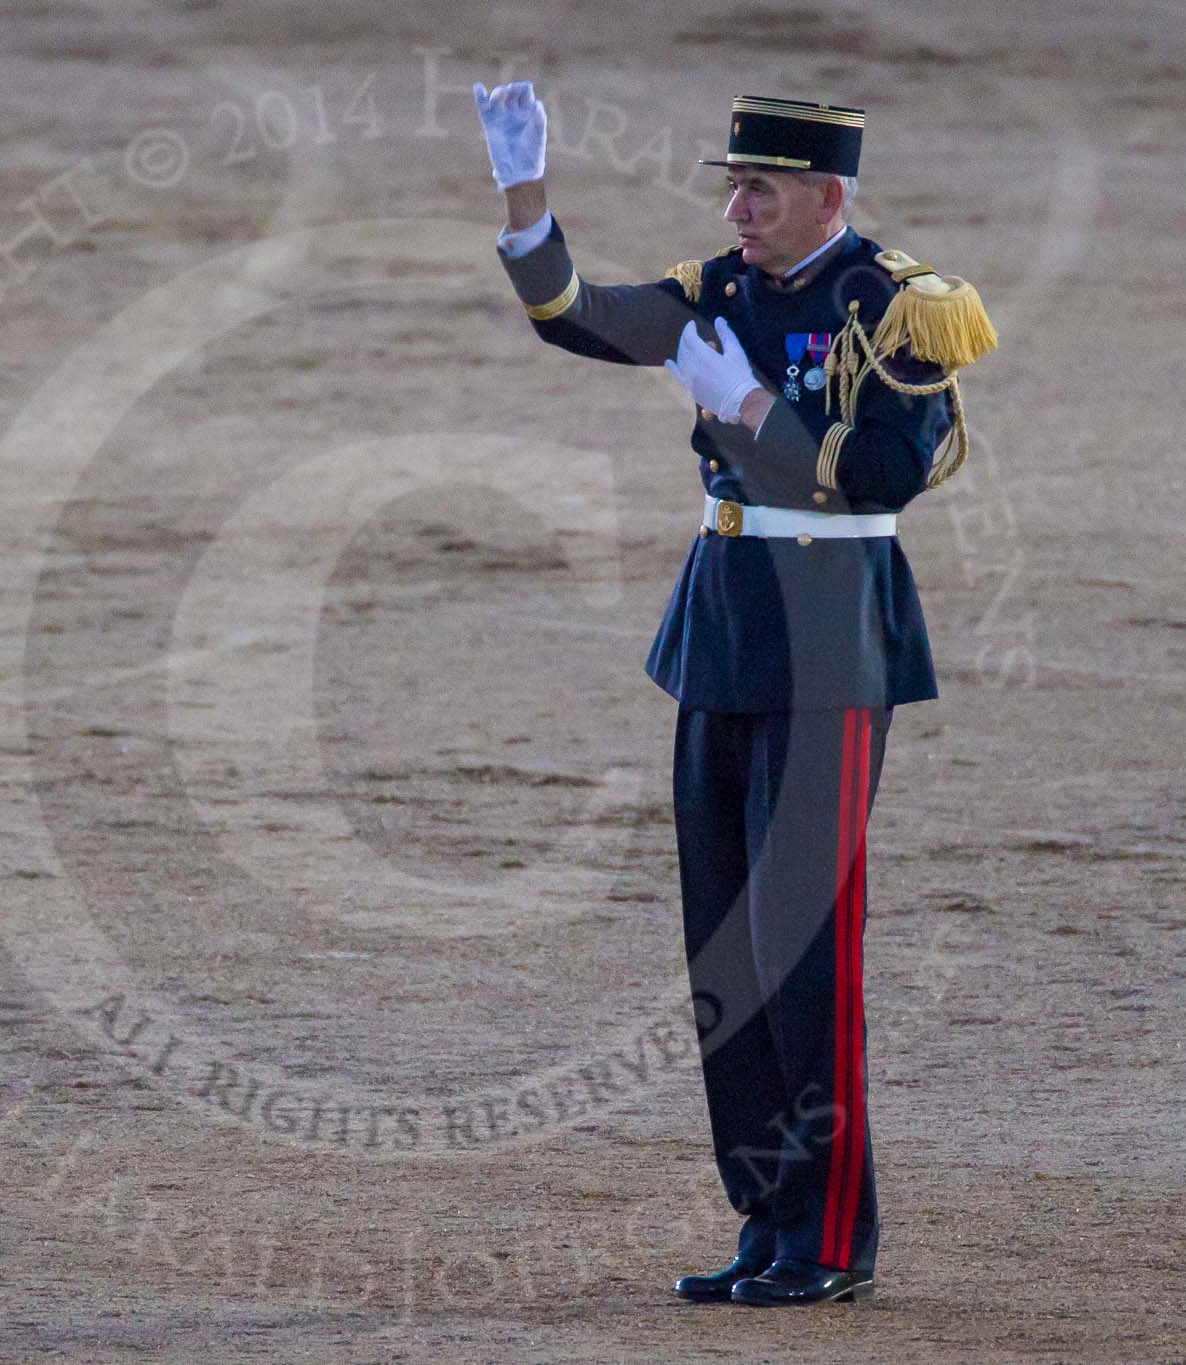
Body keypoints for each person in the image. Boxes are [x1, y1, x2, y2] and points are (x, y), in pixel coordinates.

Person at [472, 81, 995, 1306]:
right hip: (722, 627)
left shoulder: (896, 305)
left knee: (801, 949)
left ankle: (827, 1239)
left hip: (827, 640)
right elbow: (579, 319)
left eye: (759, 187)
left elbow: (880, 474)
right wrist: (523, 196)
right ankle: (766, 1218)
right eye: (732, 183)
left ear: (829, 195)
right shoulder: (723, 290)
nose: (735, 205)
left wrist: (749, 409)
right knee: (726, 945)